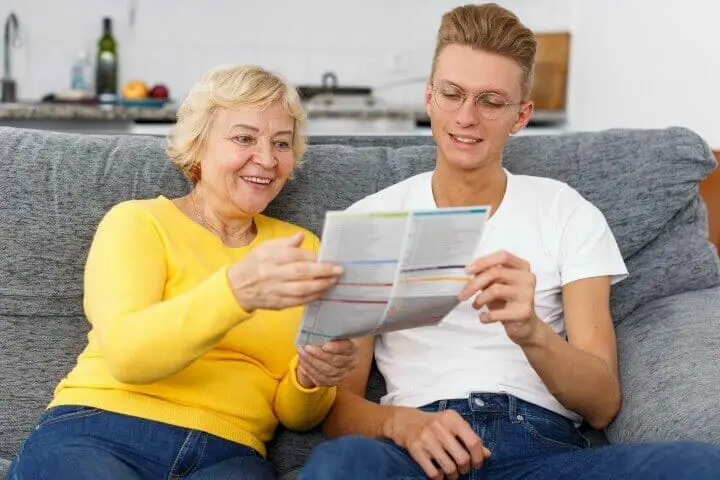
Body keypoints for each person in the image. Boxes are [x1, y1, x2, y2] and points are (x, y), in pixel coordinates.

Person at [299, 4, 720, 479]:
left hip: (539, 452)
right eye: (453, 93)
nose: (466, 117)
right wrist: (402, 425)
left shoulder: (567, 212)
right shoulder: (372, 219)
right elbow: (338, 412)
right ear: (429, 98)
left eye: (490, 101)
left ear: (520, 116)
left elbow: (602, 404)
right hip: (417, 452)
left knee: (702, 465)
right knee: (340, 464)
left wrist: (530, 332)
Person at [8, 65, 358, 480]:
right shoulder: (138, 222)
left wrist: (311, 379)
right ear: (199, 145)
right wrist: (236, 292)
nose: (266, 159)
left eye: (281, 143)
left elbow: (296, 416)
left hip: (229, 453)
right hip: (100, 427)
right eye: (244, 138)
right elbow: (127, 356)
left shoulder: (306, 248)